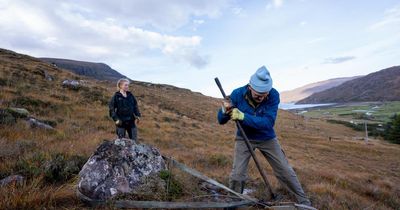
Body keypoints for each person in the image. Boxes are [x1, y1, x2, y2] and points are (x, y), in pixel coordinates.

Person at [217, 66, 311, 206]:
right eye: (258, 94)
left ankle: (303, 202)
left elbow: (267, 123)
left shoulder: (273, 95)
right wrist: (225, 110)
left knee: (285, 170)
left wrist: (243, 116)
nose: (261, 97)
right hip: (244, 137)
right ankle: (233, 203)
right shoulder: (237, 94)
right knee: (238, 175)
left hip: (267, 138)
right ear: (250, 87)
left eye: (264, 94)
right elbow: (221, 121)